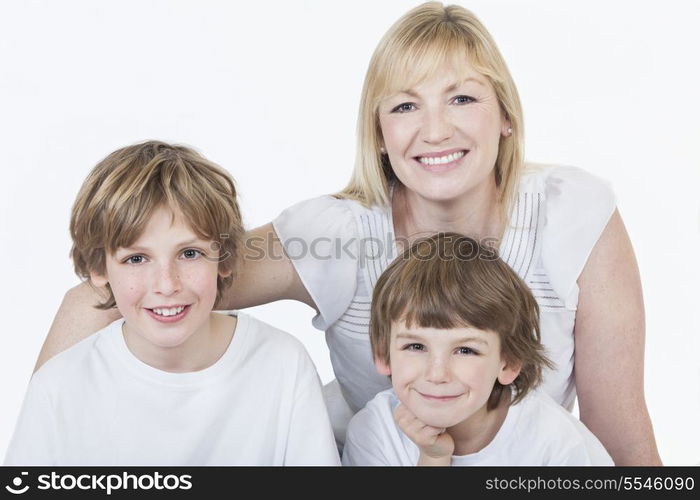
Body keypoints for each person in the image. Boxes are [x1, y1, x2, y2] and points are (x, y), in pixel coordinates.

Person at [34, 3, 660, 465]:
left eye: (462, 99)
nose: (435, 131)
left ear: (505, 117)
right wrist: (45, 443)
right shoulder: (329, 237)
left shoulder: (571, 214)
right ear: (379, 134)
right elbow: (163, 280)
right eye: (406, 106)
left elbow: (622, 435)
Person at [5, 141, 339, 465]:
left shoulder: (282, 364)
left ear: (224, 258)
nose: (167, 284)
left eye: (189, 253)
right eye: (136, 258)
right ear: (97, 267)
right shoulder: (58, 385)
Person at [342, 233, 613, 466]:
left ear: (508, 363)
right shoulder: (374, 432)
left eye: (465, 351)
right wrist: (432, 458)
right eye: (415, 346)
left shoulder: (557, 444)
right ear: (383, 354)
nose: (437, 374)